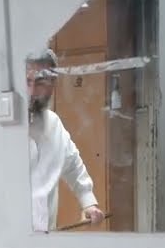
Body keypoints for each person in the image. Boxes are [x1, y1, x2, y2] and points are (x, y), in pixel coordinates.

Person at [26, 49, 107, 232]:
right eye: (27, 81)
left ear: (53, 83)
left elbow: (72, 164)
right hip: (6, 247)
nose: (31, 91)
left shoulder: (53, 124)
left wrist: (87, 202)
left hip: (46, 242)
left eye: (40, 82)